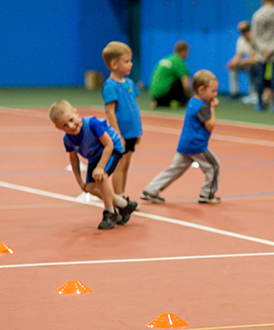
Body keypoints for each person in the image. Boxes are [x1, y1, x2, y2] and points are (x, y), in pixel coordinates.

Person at [49, 100, 137, 230]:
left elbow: (109, 145)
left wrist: (101, 167)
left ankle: (110, 213)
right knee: (90, 186)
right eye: (65, 126)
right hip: (95, 157)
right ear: (59, 128)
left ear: (76, 113)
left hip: (112, 150)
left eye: (72, 120)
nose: (71, 126)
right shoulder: (67, 140)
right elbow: (74, 159)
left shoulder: (92, 124)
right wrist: (79, 181)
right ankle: (124, 205)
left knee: (101, 177)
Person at [141, 70, 222, 205]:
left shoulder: (192, 101)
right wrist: (213, 109)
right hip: (197, 145)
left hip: (185, 144)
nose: (215, 95)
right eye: (213, 91)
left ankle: (151, 190)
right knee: (214, 166)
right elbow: (210, 125)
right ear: (201, 90)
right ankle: (207, 194)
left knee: (174, 169)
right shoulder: (203, 107)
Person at [101, 41, 142, 206]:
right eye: (126, 61)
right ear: (114, 64)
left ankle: (122, 196)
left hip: (132, 132)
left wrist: (138, 131)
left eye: (130, 60)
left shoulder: (130, 84)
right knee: (120, 165)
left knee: (126, 165)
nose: (130, 64)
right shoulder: (110, 86)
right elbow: (110, 111)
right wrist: (117, 134)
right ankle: (118, 198)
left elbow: (134, 108)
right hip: (121, 134)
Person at [251, 0, 274, 111]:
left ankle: (260, 103)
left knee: (260, 77)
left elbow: (255, 35)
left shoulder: (257, 15)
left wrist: (262, 49)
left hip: (261, 51)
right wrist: (271, 49)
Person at [149, 41, 191, 108]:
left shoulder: (168, 59)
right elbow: (186, 86)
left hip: (154, 95)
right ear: (184, 51)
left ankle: (159, 102)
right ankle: (182, 102)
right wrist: (192, 99)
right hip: (164, 93)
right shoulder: (179, 62)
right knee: (180, 81)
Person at [226, 21, 259, 101]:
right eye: (241, 31)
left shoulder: (256, 39)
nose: (243, 33)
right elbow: (239, 55)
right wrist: (233, 62)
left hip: (258, 65)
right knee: (233, 67)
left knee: (253, 68)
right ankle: (234, 93)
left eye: (245, 30)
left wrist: (243, 62)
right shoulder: (241, 40)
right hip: (248, 63)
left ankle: (253, 93)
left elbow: (256, 60)